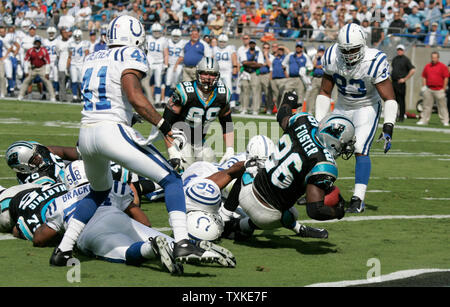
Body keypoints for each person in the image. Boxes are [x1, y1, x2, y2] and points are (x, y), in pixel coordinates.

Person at [50, 15, 218, 267]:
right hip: (111, 132)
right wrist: (164, 126)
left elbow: (111, 97)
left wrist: (132, 115)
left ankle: (63, 249)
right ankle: (183, 242)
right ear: (135, 36)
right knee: (171, 179)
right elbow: (133, 93)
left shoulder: (93, 56)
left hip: (86, 133)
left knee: (99, 191)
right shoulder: (131, 55)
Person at [218, 91, 356, 240]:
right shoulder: (325, 164)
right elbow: (315, 210)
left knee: (253, 166)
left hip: (246, 192)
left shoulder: (304, 121)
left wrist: (289, 100)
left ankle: (224, 217)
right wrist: (337, 212)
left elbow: (282, 114)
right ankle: (242, 226)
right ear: (335, 141)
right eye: (344, 144)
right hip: (270, 217)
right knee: (291, 213)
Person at [314, 23, 399, 213]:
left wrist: (388, 127)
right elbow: (325, 91)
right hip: (343, 105)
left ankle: (358, 198)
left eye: (353, 49)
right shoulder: (331, 56)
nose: (349, 54)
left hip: (366, 106)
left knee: (360, 148)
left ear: (362, 45)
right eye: (345, 50)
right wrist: (319, 122)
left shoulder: (374, 60)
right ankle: (318, 191)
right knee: (324, 148)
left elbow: (389, 98)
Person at [163, 56, 235, 170]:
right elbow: (166, 123)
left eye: (212, 74)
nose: (208, 78)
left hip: (199, 140)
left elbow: (227, 124)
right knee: (186, 168)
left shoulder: (223, 94)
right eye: (204, 73)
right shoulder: (185, 91)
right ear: (198, 73)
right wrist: (172, 149)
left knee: (212, 169)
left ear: (217, 76)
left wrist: (230, 149)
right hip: (179, 137)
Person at [18, 36, 56, 102]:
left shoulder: (43, 51)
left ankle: (52, 97)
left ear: (40, 43)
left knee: (47, 82)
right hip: (33, 68)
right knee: (26, 81)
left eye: (38, 42)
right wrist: (26, 71)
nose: (37, 44)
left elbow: (47, 62)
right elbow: (26, 60)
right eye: (36, 42)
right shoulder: (30, 50)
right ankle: (20, 95)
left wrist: (47, 72)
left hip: (42, 68)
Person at [417, 51, 449, 126]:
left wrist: (443, 89)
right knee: (426, 106)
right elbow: (424, 76)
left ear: (438, 58)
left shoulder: (443, 66)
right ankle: (424, 120)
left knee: (442, 107)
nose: (433, 59)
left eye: (435, 58)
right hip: (429, 89)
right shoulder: (427, 66)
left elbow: (446, 78)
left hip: (439, 90)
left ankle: (445, 121)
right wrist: (424, 86)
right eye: (432, 57)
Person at [143, 23, 168, 107]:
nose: (156, 33)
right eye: (155, 31)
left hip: (159, 63)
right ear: (152, 31)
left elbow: (166, 53)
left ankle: (157, 101)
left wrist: (166, 64)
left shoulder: (163, 40)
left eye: (158, 31)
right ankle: (148, 99)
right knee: (145, 82)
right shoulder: (148, 38)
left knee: (158, 82)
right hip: (149, 63)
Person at [282, 41, 313, 108]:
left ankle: (299, 113)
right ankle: (283, 110)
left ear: (302, 48)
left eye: (300, 47)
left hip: (300, 79)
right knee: (286, 94)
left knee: (300, 96)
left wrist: (305, 71)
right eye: (297, 47)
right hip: (291, 78)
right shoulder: (290, 55)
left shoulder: (305, 56)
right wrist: (286, 74)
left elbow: (310, 67)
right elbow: (284, 64)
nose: (298, 48)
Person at [238, 39, 264, 115]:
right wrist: (253, 63)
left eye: (253, 44)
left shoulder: (258, 53)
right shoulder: (244, 52)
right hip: (246, 73)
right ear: (249, 44)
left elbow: (260, 64)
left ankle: (255, 109)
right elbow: (244, 62)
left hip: (254, 73)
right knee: (245, 91)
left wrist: (249, 63)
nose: (252, 45)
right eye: (251, 44)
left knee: (255, 91)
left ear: (255, 45)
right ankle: (244, 108)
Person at [391, 44, 416, 122]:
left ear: (403, 51)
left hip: (400, 83)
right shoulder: (394, 59)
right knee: (393, 101)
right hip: (394, 82)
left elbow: (412, 70)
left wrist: (405, 79)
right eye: (398, 50)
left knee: (401, 101)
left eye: (401, 50)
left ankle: (401, 117)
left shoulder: (406, 59)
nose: (399, 51)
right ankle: (394, 117)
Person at [67, 29, 89, 103]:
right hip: (73, 64)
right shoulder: (71, 44)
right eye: (75, 37)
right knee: (74, 81)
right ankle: (75, 96)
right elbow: (69, 56)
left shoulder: (84, 43)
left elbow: (87, 55)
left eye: (78, 36)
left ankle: (82, 96)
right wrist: (67, 66)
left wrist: (86, 65)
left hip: (81, 64)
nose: (77, 38)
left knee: (81, 81)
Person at [304, 44, 325, 115]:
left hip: (323, 78)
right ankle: (310, 110)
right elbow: (313, 65)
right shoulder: (315, 57)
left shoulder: (326, 58)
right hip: (315, 78)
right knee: (312, 95)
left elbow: (324, 66)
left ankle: (322, 111)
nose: (321, 52)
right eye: (320, 51)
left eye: (322, 51)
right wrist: (316, 58)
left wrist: (319, 66)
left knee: (323, 96)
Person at [43, 26, 59, 99]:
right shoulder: (45, 41)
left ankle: (56, 93)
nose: (51, 34)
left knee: (56, 78)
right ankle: (44, 93)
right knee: (45, 78)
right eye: (50, 33)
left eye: (52, 33)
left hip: (55, 62)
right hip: (47, 62)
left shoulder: (57, 41)